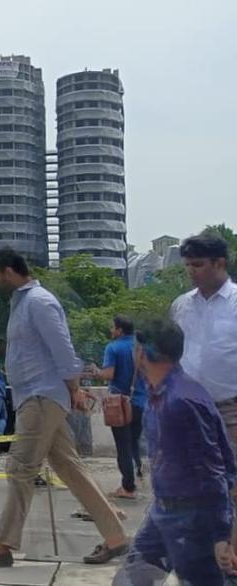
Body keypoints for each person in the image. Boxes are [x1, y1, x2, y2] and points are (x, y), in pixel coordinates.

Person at [0, 249, 128, 568]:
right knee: (70, 469)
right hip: (36, 397)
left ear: (10, 272)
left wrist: (74, 389)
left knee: (20, 468)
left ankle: (2, 547)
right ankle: (116, 538)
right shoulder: (23, 303)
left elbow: (64, 351)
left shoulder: (39, 302)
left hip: (41, 398)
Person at [112, 319, 237, 584]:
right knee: (132, 577)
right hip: (164, 512)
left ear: (144, 353)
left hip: (193, 519)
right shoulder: (159, 393)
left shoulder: (182, 402)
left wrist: (220, 536)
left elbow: (214, 472)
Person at [170, 233, 237, 549]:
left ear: (219, 263)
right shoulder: (181, 306)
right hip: (190, 410)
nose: (191, 271)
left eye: (198, 264)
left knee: (233, 483)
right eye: (188, 265)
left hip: (230, 408)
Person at [91, 316, 147, 500]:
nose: (110, 330)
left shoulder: (113, 347)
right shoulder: (140, 347)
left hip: (120, 404)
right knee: (134, 442)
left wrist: (96, 371)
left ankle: (128, 487)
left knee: (123, 445)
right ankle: (138, 475)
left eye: (112, 327)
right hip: (141, 401)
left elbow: (109, 374)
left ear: (120, 330)